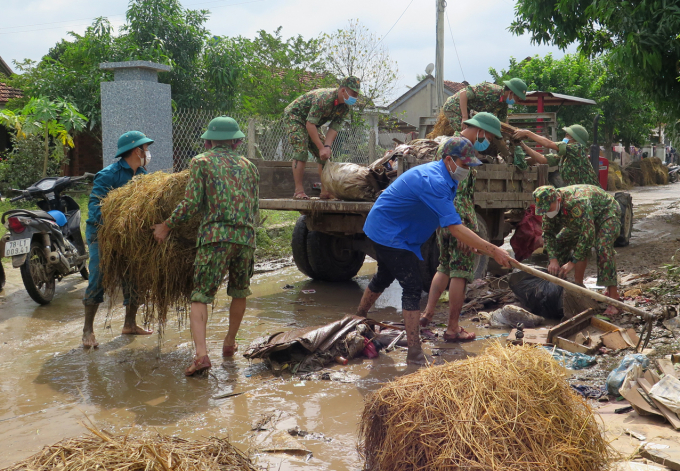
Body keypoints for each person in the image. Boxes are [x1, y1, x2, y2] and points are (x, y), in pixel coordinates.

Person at [355, 136, 514, 365]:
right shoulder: (435, 180)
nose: (467, 170)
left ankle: (359, 316)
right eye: (465, 164)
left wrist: (471, 241)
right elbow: (454, 226)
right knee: (411, 285)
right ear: (449, 160)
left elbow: (444, 218)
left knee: (385, 275)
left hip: (398, 229)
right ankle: (415, 353)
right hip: (387, 230)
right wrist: (493, 250)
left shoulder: (448, 177)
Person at [152, 117, 259, 376]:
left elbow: (190, 204)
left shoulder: (201, 161)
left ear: (209, 140)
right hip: (245, 239)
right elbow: (254, 206)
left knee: (200, 295)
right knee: (239, 291)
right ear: (236, 141)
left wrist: (165, 226)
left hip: (214, 238)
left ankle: (201, 356)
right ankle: (229, 343)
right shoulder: (250, 166)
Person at [420, 112, 503, 341]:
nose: (488, 141)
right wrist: (463, 228)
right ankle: (453, 328)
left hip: (444, 218)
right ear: (481, 131)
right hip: (458, 220)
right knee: (461, 272)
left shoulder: (449, 145)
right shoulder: (460, 148)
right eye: (489, 136)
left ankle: (427, 314)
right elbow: (454, 192)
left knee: (444, 266)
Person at [82, 131, 154, 348]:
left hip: (129, 236)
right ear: (136, 150)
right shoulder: (108, 175)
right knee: (98, 276)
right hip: (101, 234)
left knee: (135, 276)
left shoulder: (142, 175)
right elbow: (95, 209)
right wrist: (119, 224)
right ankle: (87, 331)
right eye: (145, 148)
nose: (147, 153)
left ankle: (130, 324)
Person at [533, 185, 621, 311]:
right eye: (543, 210)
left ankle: (614, 299)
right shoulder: (550, 209)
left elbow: (587, 235)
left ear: (558, 200)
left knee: (603, 247)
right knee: (560, 242)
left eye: (548, 208)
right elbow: (548, 234)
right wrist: (553, 260)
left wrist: (572, 263)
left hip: (606, 212)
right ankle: (576, 288)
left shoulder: (577, 202)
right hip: (580, 220)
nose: (546, 212)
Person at [284, 76, 360, 200]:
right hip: (295, 117)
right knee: (301, 150)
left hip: (312, 124)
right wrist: (320, 147)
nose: (355, 98)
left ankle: (325, 192)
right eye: (353, 93)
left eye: (357, 94)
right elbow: (310, 124)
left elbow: (334, 128)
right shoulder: (324, 98)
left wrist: (326, 147)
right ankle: (298, 192)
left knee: (326, 156)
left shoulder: (344, 108)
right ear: (342, 91)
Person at [514, 124, 599, 187]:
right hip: (577, 191)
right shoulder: (565, 154)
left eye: (568, 135)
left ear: (575, 139)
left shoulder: (578, 148)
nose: (565, 136)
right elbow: (543, 159)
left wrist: (527, 133)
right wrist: (523, 146)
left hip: (588, 192)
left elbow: (548, 143)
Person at [442, 78, 527, 133]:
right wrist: (464, 117)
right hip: (455, 108)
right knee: (466, 131)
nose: (517, 101)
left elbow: (503, 122)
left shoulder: (503, 104)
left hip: (470, 112)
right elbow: (463, 94)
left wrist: (511, 132)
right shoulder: (490, 90)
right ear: (511, 93)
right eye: (518, 98)